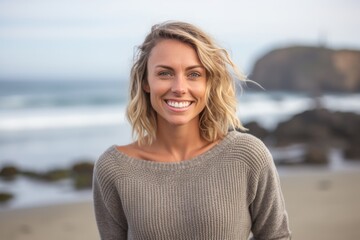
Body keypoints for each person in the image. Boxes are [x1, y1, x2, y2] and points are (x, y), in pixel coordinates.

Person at [93, 21, 291, 240]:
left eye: (194, 74)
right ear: (146, 82)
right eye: (165, 73)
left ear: (209, 83)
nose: (179, 88)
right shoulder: (114, 168)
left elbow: (276, 236)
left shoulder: (247, 155)